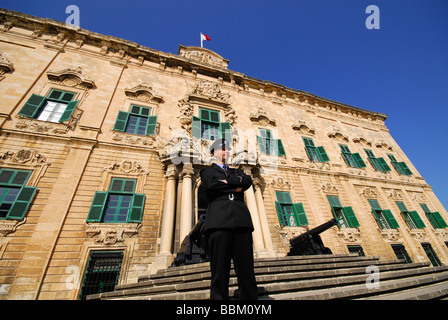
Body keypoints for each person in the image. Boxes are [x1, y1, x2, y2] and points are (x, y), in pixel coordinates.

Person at [200, 139, 258, 300]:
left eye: (228, 149)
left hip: (241, 221)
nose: (226, 151)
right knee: (219, 268)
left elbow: (247, 182)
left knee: (246, 268)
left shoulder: (237, 172)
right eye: (222, 149)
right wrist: (235, 186)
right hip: (219, 222)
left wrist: (225, 182)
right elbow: (210, 185)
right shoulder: (207, 172)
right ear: (214, 152)